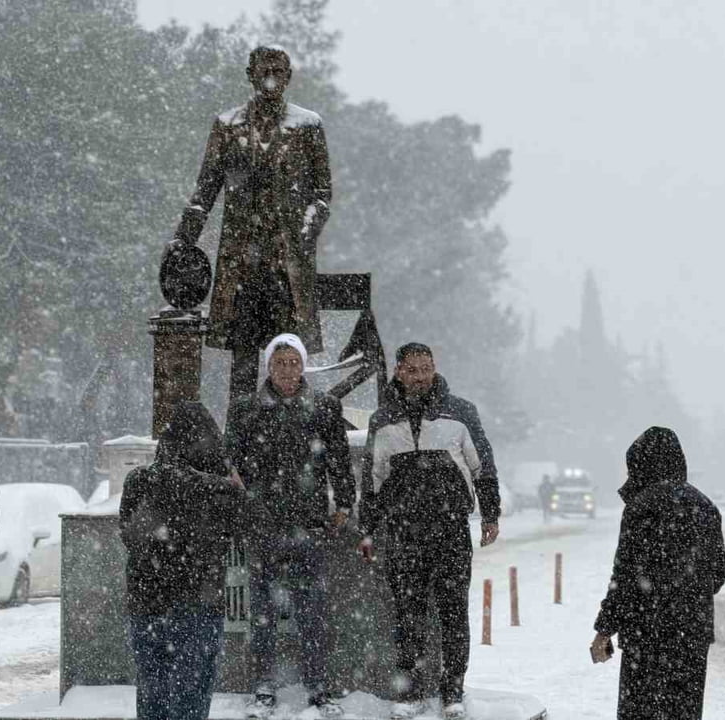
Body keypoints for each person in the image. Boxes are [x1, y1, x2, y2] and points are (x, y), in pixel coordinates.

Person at [170, 45, 333, 403]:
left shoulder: (308, 126)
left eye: (278, 70)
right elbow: (205, 189)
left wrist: (306, 231)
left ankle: (292, 435)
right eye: (264, 70)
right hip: (242, 266)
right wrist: (183, 241)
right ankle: (240, 439)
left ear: (289, 77)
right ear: (250, 74)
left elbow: (323, 194)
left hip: (287, 266)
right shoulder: (227, 125)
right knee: (242, 361)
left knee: (289, 358)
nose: (271, 77)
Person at [358, 343, 501, 720]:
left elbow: (481, 465)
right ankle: (409, 690)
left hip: (451, 529)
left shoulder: (460, 412)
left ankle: (453, 688)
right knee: (408, 613)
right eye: (412, 369)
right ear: (399, 372)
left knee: (454, 611)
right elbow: (372, 480)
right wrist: (367, 529)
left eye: (426, 368)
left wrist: (490, 514)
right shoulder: (383, 419)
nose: (420, 376)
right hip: (403, 532)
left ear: (434, 368)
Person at [224, 334, 354, 719]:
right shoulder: (246, 409)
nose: (287, 370)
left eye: (293, 362)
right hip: (262, 524)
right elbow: (229, 463)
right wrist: (240, 504)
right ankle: (263, 686)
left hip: (309, 523)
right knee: (262, 610)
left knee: (312, 609)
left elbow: (340, 462)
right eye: (279, 363)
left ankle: (318, 685)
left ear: (303, 366)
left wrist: (344, 502)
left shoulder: (324, 407)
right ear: (269, 366)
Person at [590, 427, 725, 720]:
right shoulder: (706, 507)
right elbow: (718, 574)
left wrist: (604, 629)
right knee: (684, 712)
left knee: (640, 712)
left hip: (645, 635)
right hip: (692, 635)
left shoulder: (641, 508)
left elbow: (625, 577)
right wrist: (687, 593)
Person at [119, 400, 244, 720]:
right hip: (199, 600)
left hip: (148, 601)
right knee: (192, 693)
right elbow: (241, 528)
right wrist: (231, 484)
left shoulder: (138, 480)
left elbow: (130, 535)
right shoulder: (221, 489)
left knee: (153, 690)